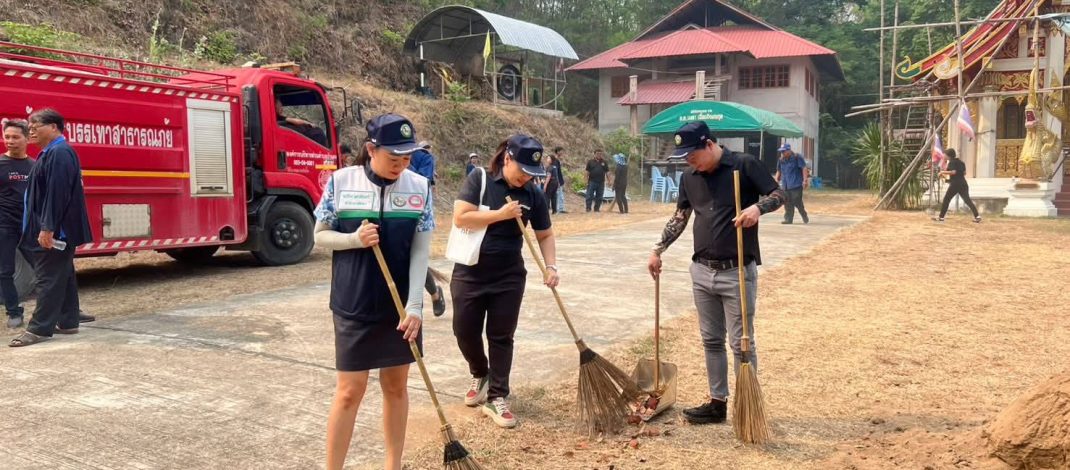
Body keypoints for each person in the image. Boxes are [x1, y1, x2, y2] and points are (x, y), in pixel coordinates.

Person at [313, 113, 432, 470]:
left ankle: (392, 466)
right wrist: (353, 239)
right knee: (350, 391)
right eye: (393, 157)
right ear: (371, 149)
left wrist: (415, 307)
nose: (401, 165)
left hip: (400, 310)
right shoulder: (341, 182)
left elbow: (420, 251)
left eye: (407, 157)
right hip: (354, 304)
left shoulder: (420, 188)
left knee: (396, 387)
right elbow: (319, 236)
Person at [646, 121, 785, 425]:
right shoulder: (689, 177)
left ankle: (748, 406)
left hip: (736, 271)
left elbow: (778, 194)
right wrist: (658, 249)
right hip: (702, 270)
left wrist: (757, 209)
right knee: (711, 340)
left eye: (692, 154)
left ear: (709, 144)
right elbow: (680, 217)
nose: (688, 160)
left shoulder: (743, 165)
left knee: (741, 343)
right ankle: (717, 402)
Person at [451, 134, 558, 429]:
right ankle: (480, 372)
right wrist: (500, 214)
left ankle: (498, 396)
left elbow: (545, 234)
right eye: (522, 170)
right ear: (507, 158)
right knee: (464, 330)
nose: (526, 178)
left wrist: (550, 266)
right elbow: (461, 218)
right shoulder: (480, 180)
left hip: (508, 276)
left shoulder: (533, 193)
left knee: (501, 336)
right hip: (469, 271)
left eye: (532, 174)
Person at [9, 109, 93, 347]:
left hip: (57, 230)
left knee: (47, 278)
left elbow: (57, 194)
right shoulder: (51, 153)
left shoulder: (59, 153)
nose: (31, 130)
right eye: (30, 125)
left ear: (54, 127)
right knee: (62, 274)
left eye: (36, 125)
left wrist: (48, 228)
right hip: (52, 227)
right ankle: (68, 321)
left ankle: (39, 329)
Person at [1, 120, 34, 329]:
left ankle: (63, 310)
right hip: (5, 226)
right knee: (5, 271)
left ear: (27, 139)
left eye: (15, 137)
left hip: (30, 226)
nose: (10, 141)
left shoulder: (35, 165)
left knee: (45, 270)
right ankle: (14, 312)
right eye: (7, 137)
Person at [408, 141, 447, 317]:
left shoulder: (424, 158)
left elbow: (423, 182)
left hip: (414, 208)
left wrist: (406, 173)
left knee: (414, 257)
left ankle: (433, 294)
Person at [933, 148, 981, 223]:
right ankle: (977, 216)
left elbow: (953, 172)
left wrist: (942, 172)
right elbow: (964, 173)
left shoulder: (952, 162)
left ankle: (941, 217)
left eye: (945, 154)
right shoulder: (961, 162)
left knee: (946, 199)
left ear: (948, 155)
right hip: (963, 183)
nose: (944, 156)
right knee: (967, 200)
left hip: (955, 184)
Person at [775, 143, 810, 224]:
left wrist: (805, 180)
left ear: (789, 150)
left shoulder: (797, 157)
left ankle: (803, 214)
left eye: (784, 151)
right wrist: (776, 179)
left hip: (796, 184)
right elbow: (779, 171)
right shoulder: (781, 160)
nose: (782, 153)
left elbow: (803, 168)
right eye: (781, 151)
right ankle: (788, 219)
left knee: (797, 201)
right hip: (785, 185)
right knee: (787, 202)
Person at [552, 147, 568, 213]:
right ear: (557, 151)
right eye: (561, 151)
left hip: (558, 180)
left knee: (559, 195)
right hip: (557, 181)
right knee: (559, 195)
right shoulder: (555, 160)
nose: (562, 153)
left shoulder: (557, 160)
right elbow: (555, 172)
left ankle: (559, 209)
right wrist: (558, 181)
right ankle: (559, 209)